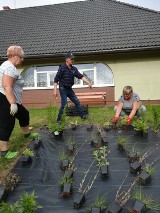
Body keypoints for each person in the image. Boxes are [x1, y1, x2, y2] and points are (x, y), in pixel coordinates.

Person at [0, 45, 39, 159]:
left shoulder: (8, 66)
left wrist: (16, 102)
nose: (23, 59)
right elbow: (7, 86)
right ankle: (4, 151)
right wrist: (12, 103)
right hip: (6, 98)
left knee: (24, 114)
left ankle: (27, 134)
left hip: (11, 98)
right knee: (7, 123)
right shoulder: (9, 67)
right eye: (21, 57)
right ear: (13, 56)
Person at [54, 52, 93, 123]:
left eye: (73, 59)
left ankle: (82, 116)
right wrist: (55, 90)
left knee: (76, 102)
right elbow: (56, 79)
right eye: (71, 59)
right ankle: (58, 120)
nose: (73, 60)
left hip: (69, 88)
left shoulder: (74, 69)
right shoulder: (62, 68)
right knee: (64, 103)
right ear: (66, 59)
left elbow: (80, 76)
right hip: (63, 88)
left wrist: (88, 83)